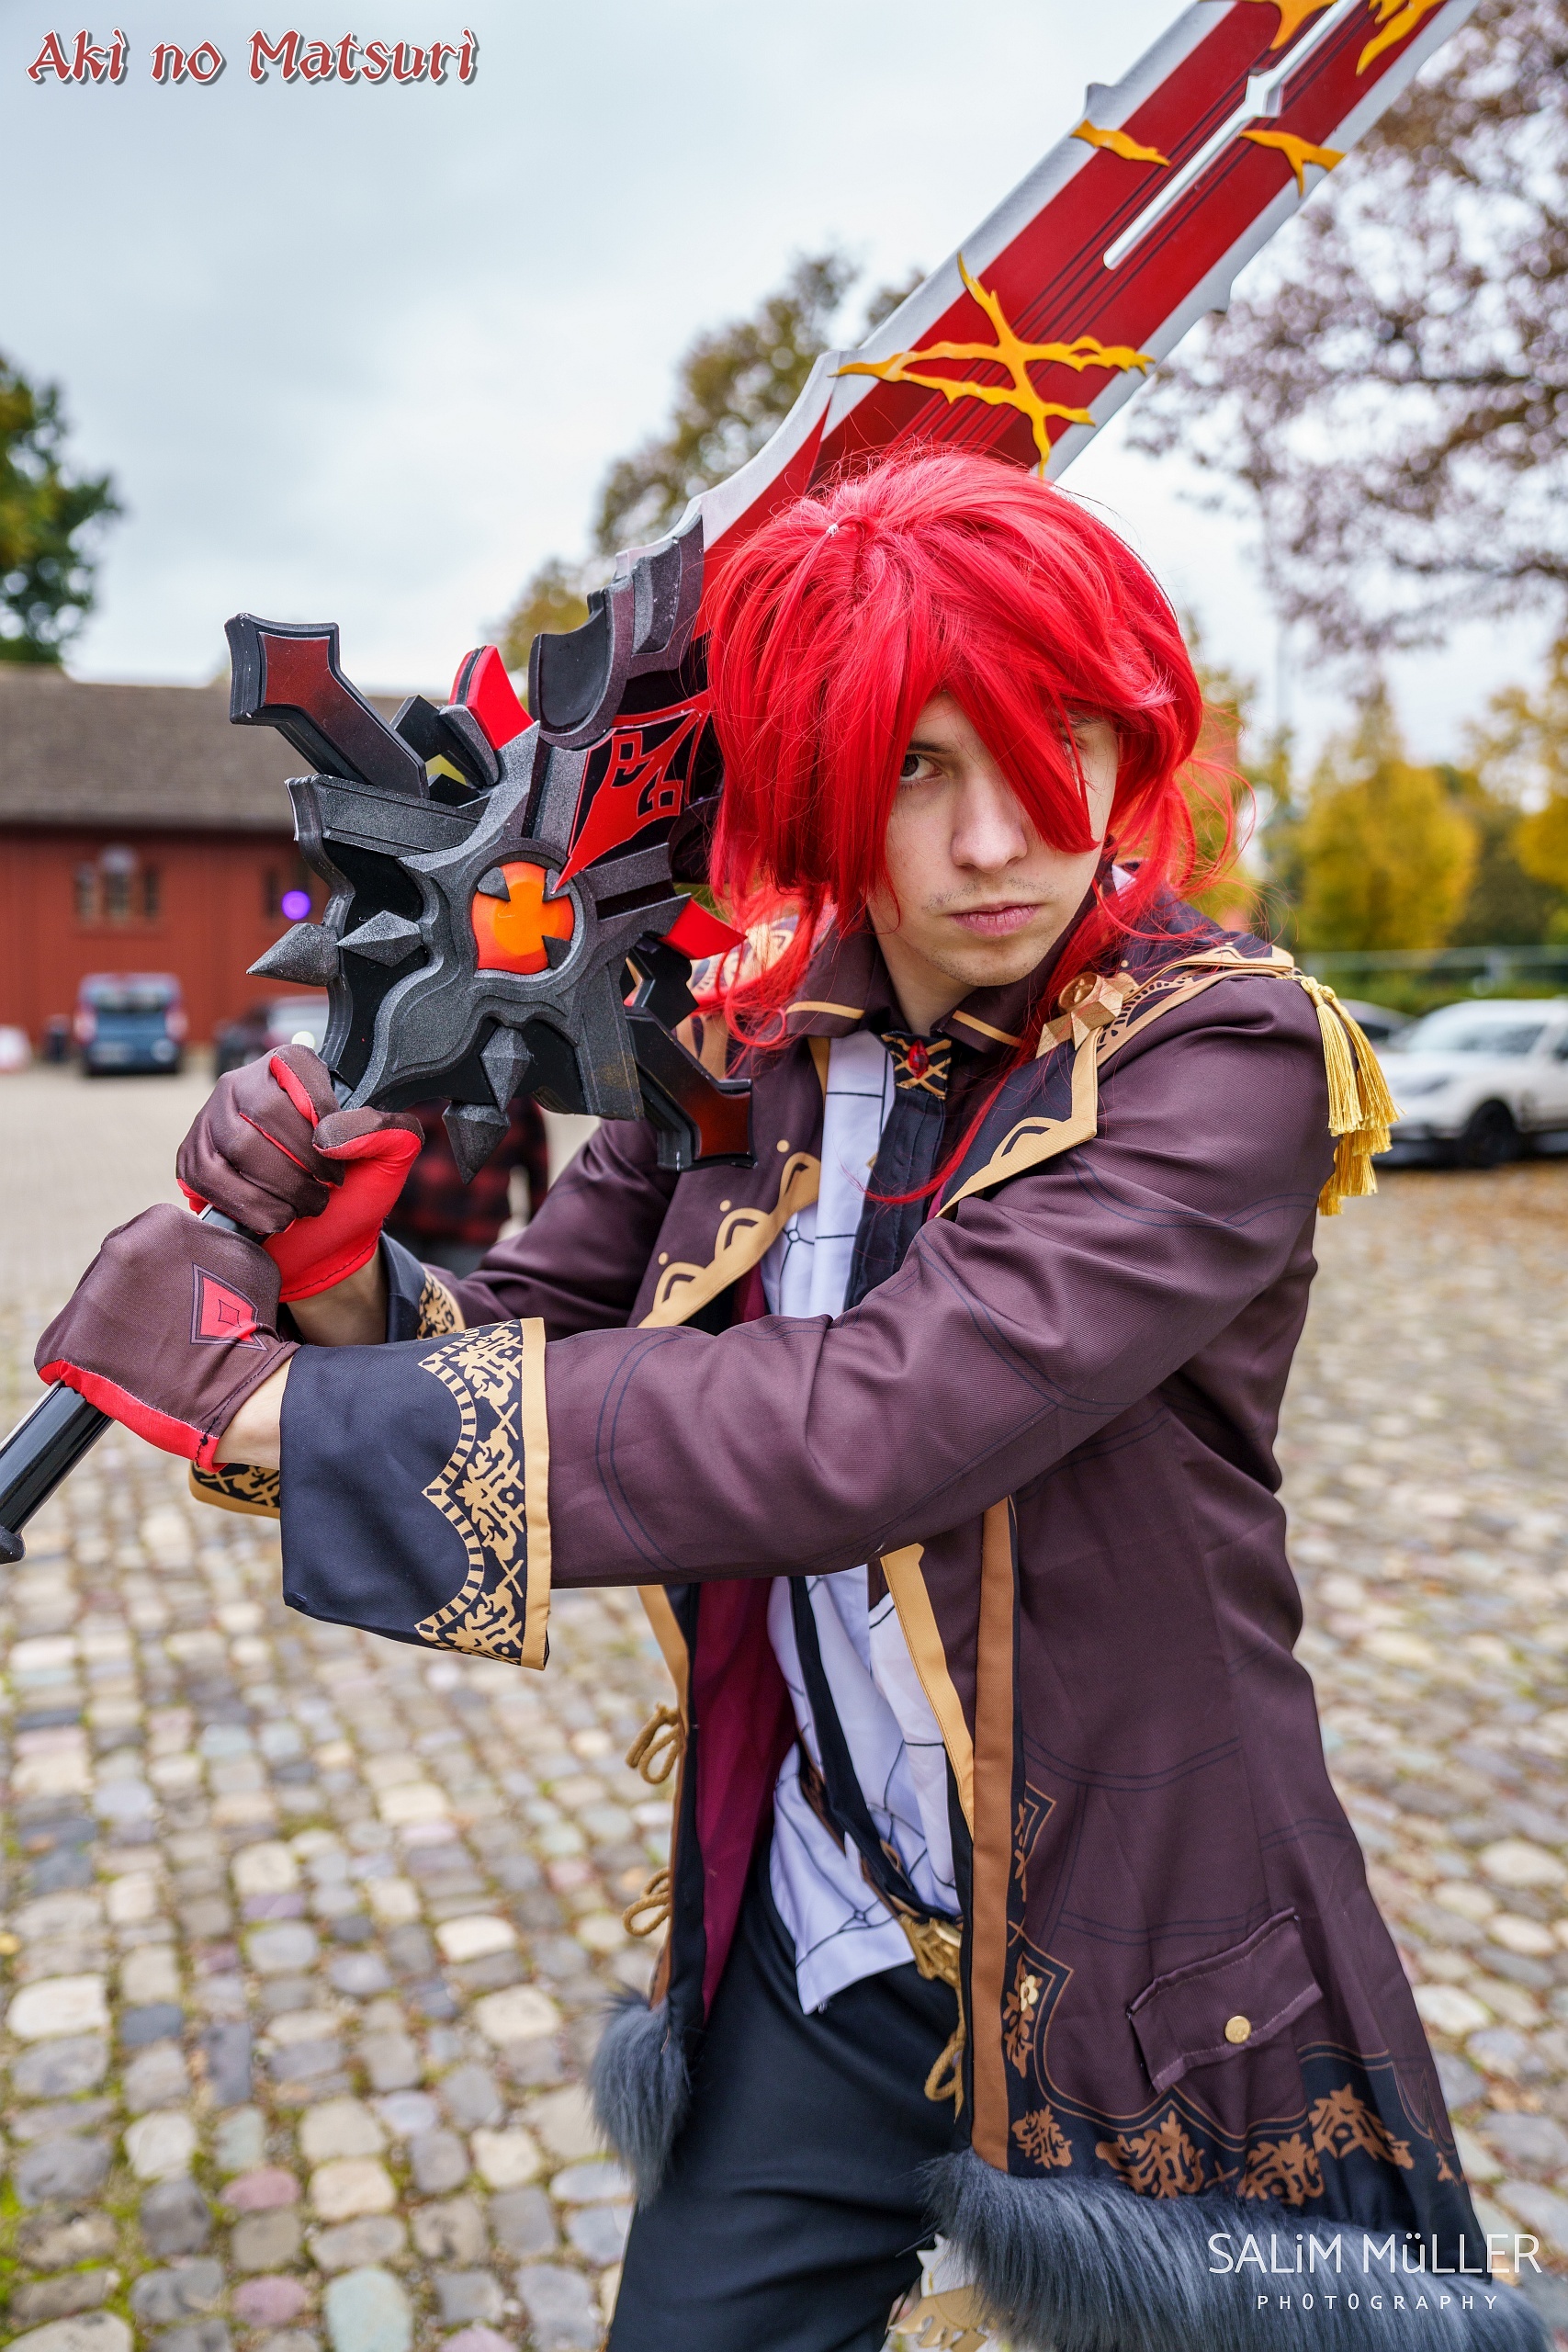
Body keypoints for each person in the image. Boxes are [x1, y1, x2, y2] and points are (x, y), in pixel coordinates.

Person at [37, 454, 1542, 2352]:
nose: (997, 836)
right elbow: (528, 1335)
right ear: (822, 779)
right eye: (915, 764)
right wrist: (338, 1276)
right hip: (823, 1922)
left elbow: (866, 1431)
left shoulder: (1218, 1054)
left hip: (1158, 1953)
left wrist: (257, 1403)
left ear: (1130, 734)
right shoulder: (742, 1050)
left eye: (1052, 742)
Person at [385, 1096, 551, 1279]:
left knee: (456, 1296)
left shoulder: (518, 1099)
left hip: (469, 1236)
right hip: (402, 1224)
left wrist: (536, 1237)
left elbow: (538, 1168)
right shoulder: (421, 1085)